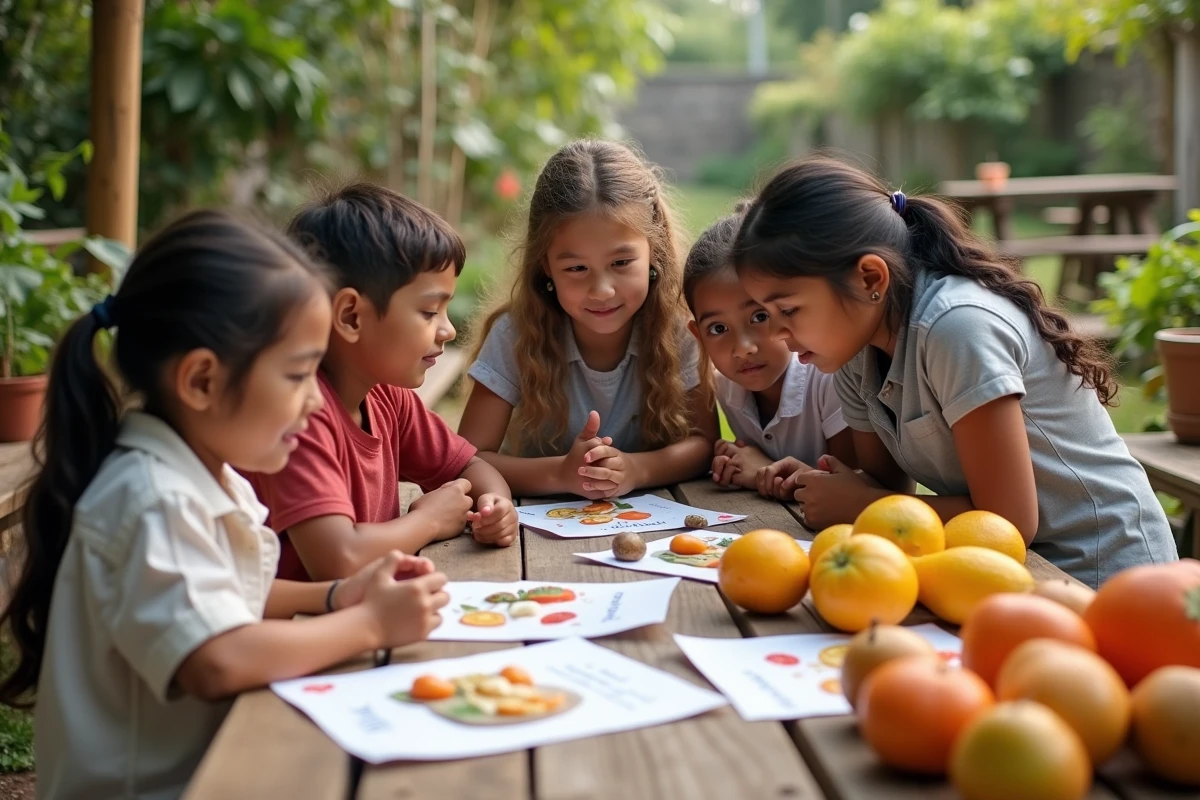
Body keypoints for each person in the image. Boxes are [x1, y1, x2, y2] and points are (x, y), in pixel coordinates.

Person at [0, 211, 449, 799]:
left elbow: (230, 590)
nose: (317, 401)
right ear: (203, 382)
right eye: (297, 374)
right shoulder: (150, 500)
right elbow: (215, 658)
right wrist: (368, 624)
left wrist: (339, 594)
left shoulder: (205, 478)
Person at [731, 156, 1177, 586]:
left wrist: (863, 505)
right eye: (767, 313)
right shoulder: (854, 352)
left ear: (870, 279)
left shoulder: (956, 327)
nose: (780, 333)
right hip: (1000, 569)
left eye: (788, 309)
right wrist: (817, 484)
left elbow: (1008, 522)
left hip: (1101, 571)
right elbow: (885, 484)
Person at [248, 183, 518, 582]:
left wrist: (497, 505)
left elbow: (469, 465)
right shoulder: (300, 418)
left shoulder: (385, 396)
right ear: (352, 317)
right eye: (429, 312)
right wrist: (427, 521)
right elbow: (337, 560)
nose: (446, 330)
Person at [459, 140, 718, 499]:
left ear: (653, 252)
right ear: (546, 265)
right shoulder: (516, 336)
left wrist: (636, 469)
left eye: (621, 263)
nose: (602, 290)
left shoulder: (677, 331)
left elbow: (704, 443)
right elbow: (465, 459)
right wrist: (561, 475)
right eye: (577, 268)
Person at [683, 206, 853, 499]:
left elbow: (855, 489)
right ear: (698, 336)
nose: (743, 348)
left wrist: (765, 469)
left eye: (760, 317)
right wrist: (736, 463)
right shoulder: (726, 387)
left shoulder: (830, 379)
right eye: (718, 329)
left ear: (787, 308)